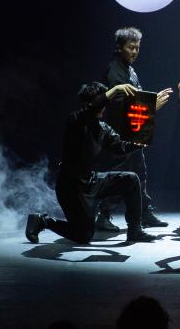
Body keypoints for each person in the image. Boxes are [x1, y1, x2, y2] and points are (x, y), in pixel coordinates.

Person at [25, 81, 170, 245]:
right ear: (89, 103)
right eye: (101, 102)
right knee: (84, 235)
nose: (104, 107)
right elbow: (94, 107)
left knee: (131, 179)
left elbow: (119, 146)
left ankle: (135, 231)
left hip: (91, 180)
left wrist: (148, 115)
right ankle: (43, 221)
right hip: (71, 186)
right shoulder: (75, 120)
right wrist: (115, 90)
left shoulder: (102, 127)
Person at [96, 27, 172, 232]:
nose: (135, 51)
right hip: (120, 133)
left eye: (137, 47)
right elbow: (118, 104)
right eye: (131, 47)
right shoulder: (114, 70)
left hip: (134, 130)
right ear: (120, 47)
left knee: (140, 172)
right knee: (120, 175)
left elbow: (136, 98)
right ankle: (103, 215)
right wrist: (151, 107)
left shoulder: (130, 69)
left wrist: (152, 100)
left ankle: (144, 212)